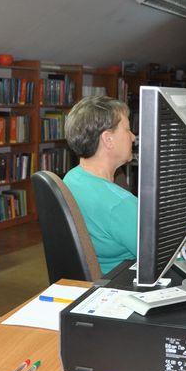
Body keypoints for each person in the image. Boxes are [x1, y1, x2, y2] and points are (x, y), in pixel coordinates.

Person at [63, 95, 137, 274]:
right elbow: (168, 258)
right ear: (108, 139)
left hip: (89, 280)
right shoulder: (119, 205)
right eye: (127, 130)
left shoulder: (71, 179)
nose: (133, 137)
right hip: (121, 283)